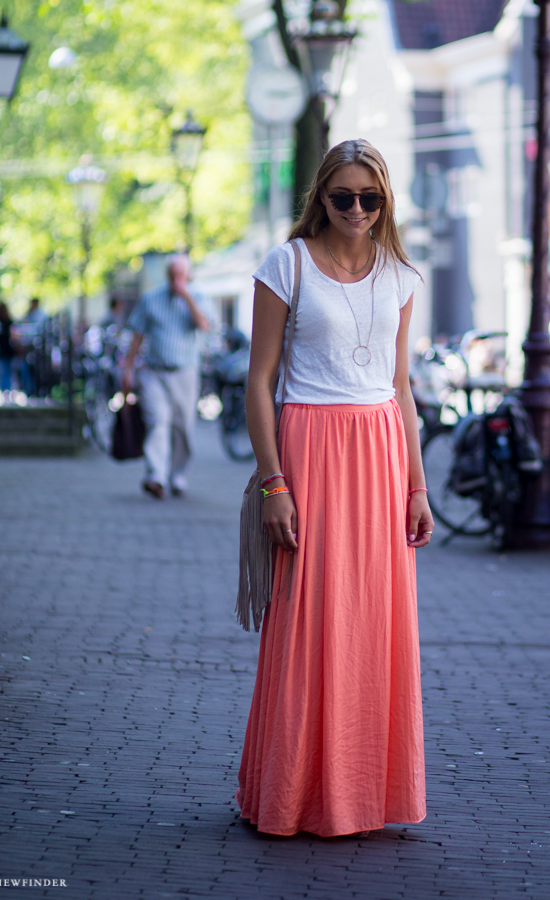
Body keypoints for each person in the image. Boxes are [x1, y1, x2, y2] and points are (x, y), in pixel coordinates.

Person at [237, 139, 434, 838]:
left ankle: (366, 797)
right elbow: (259, 380)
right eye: (343, 196)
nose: (356, 209)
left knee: (375, 626)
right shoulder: (285, 265)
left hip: (380, 455)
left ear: (385, 203)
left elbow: (401, 388)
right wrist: (273, 482)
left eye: (370, 198)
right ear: (320, 197)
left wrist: (416, 485)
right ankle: (290, 795)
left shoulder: (403, 276)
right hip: (309, 452)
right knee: (307, 621)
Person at [122, 255, 211, 499]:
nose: (176, 280)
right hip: (154, 372)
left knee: (183, 428)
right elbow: (137, 335)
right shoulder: (151, 299)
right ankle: (156, 476)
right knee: (157, 422)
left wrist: (186, 297)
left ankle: (178, 475)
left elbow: (204, 325)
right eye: (173, 275)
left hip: (185, 373)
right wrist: (127, 370)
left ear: (188, 276)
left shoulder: (199, 297)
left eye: (181, 275)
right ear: (167, 275)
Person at [0, 301, 14, 393]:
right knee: (7, 372)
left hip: (2, 350)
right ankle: (6, 391)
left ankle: (4, 390)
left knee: (3, 372)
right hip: (8, 350)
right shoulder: (8, 322)